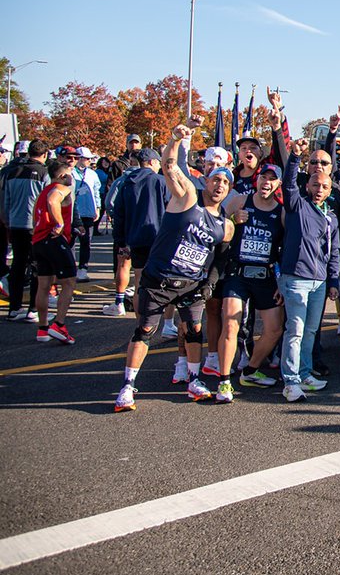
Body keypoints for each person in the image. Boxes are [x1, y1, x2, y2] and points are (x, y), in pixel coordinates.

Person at [113, 123, 235, 412]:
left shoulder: (226, 226)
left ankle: (194, 379)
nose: (219, 186)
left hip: (192, 284)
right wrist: (175, 139)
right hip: (160, 279)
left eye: (226, 183)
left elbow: (220, 258)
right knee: (145, 329)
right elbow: (168, 166)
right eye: (216, 179)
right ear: (207, 180)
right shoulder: (186, 198)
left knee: (193, 330)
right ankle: (127, 387)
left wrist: (208, 286)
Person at [278, 138, 340, 403]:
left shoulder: (331, 216)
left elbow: (334, 251)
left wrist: (334, 280)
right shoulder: (296, 205)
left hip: (320, 282)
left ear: (329, 189)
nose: (319, 189)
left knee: (311, 332)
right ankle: (290, 381)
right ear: (307, 185)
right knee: (295, 329)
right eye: (315, 184)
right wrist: (295, 156)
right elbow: (288, 183)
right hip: (295, 279)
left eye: (324, 186)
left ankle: (304, 373)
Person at [218, 165, 288, 396]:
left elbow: (284, 249)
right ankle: (224, 380)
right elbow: (214, 225)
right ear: (256, 181)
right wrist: (231, 220)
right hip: (237, 274)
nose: (266, 182)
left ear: (278, 184)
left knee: (274, 329)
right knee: (231, 324)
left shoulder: (281, 212)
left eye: (272, 180)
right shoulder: (239, 201)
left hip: (265, 275)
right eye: (263, 178)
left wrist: (280, 281)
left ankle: (250, 370)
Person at [104, 148, 168, 319]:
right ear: (153, 162)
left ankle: (141, 322)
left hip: (135, 238)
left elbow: (119, 213)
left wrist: (121, 241)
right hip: (159, 237)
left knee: (139, 279)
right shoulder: (161, 181)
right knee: (162, 280)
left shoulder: (126, 182)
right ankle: (161, 320)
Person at [31, 158, 77, 345]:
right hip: (53, 239)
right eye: (70, 174)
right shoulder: (61, 188)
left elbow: (36, 211)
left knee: (44, 284)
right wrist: (59, 223)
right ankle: (59, 324)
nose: (72, 178)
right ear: (63, 175)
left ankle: (42, 328)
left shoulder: (43, 191)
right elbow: (53, 201)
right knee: (69, 282)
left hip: (39, 241)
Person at [3, 139, 49, 322]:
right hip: (35, 226)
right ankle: (33, 309)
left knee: (18, 265)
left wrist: (7, 221)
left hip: (15, 224)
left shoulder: (12, 172)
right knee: (37, 266)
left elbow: (5, 201)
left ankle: (14, 308)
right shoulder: (43, 173)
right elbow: (47, 201)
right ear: (44, 155)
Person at [70, 147, 102, 282]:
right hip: (73, 213)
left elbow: (96, 191)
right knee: (71, 242)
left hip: (88, 212)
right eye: (86, 158)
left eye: (90, 159)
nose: (89, 161)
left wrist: (98, 208)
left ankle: (83, 269)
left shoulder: (92, 174)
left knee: (86, 243)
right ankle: (70, 269)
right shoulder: (70, 173)